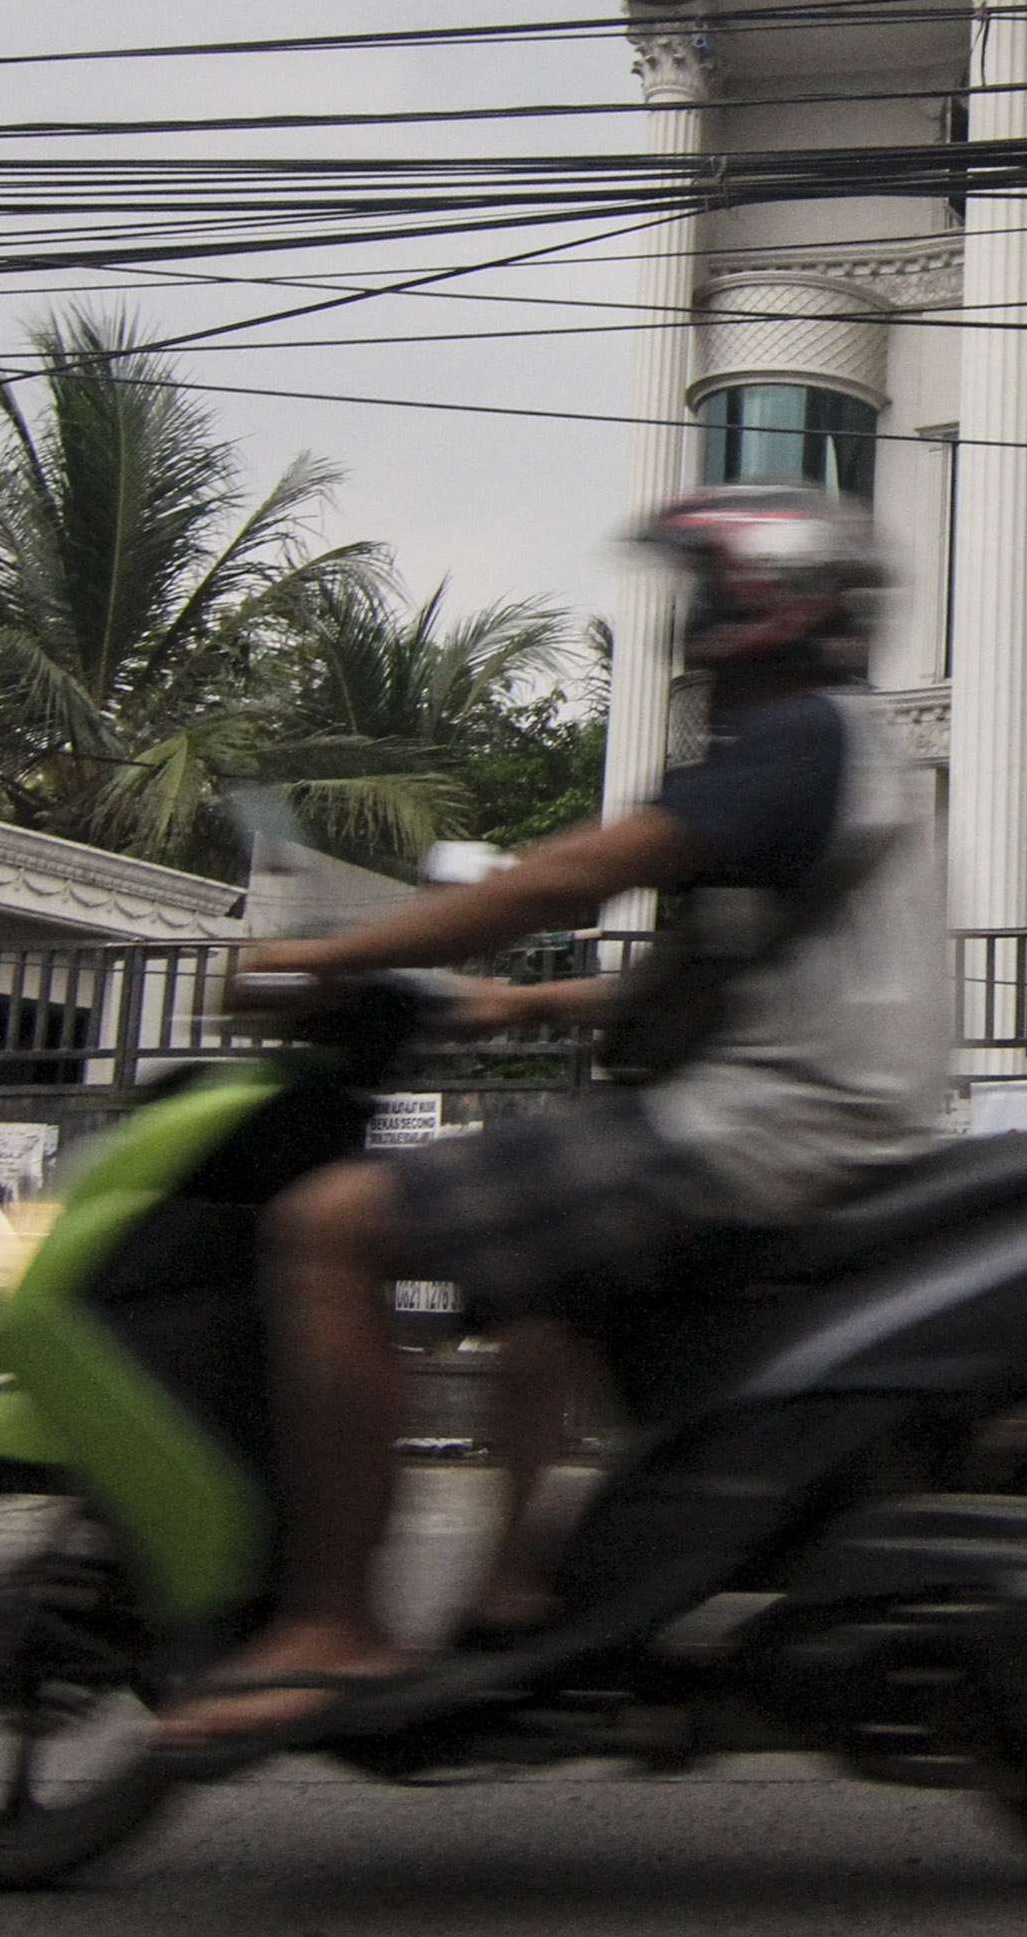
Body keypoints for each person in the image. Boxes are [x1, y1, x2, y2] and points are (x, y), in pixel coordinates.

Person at [156, 484, 947, 1752]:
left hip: (759, 1135)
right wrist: (512, 1007)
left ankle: (337, 1623)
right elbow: (723, 977)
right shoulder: (835, 749)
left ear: (766, 604)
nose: (685, 626)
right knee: (538, 1290)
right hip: (799, 1118)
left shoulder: (799, 739)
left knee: (330, 1227)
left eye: (704, 595)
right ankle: (514, 1587)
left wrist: (328, 961)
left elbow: (572, 871)